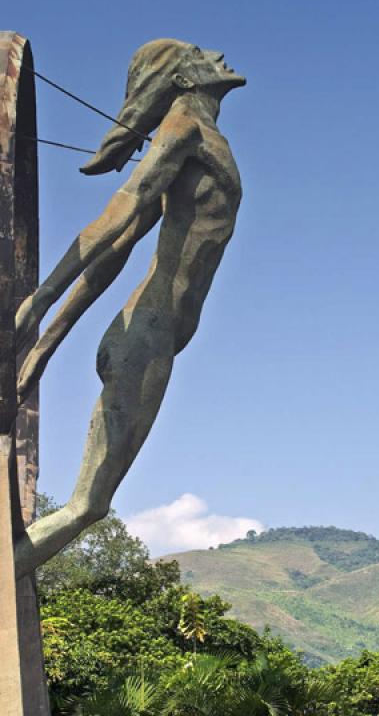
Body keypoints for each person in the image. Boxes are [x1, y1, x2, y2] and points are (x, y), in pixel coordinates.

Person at [15, 38, 246, 577]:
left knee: (88, 505)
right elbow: (121, 217)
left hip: (155, 339)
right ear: (184, 81)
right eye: (198, 53)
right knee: (87, 506)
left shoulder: (206, 137)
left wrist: (46, 345)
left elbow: (119, 251)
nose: (216, 54)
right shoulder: (184, 128)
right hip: (144, 336)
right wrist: (38, 306)